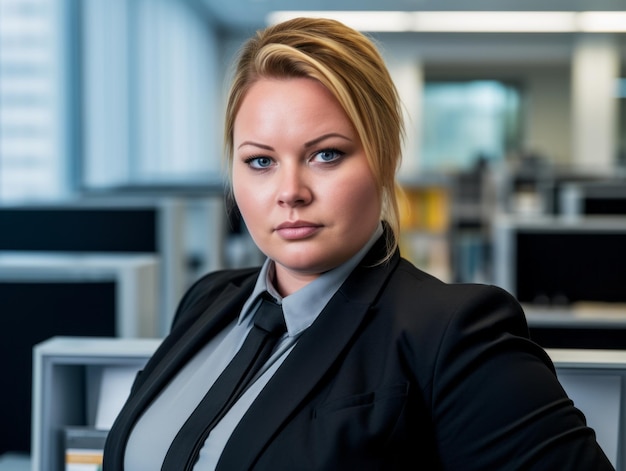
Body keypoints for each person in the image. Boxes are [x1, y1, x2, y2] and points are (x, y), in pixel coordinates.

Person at [103, 17, 613, 470]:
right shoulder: (208, 302)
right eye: (260, 161)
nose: (290, 192)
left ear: (384, 158)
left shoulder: (452, 335)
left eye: (326, 155)